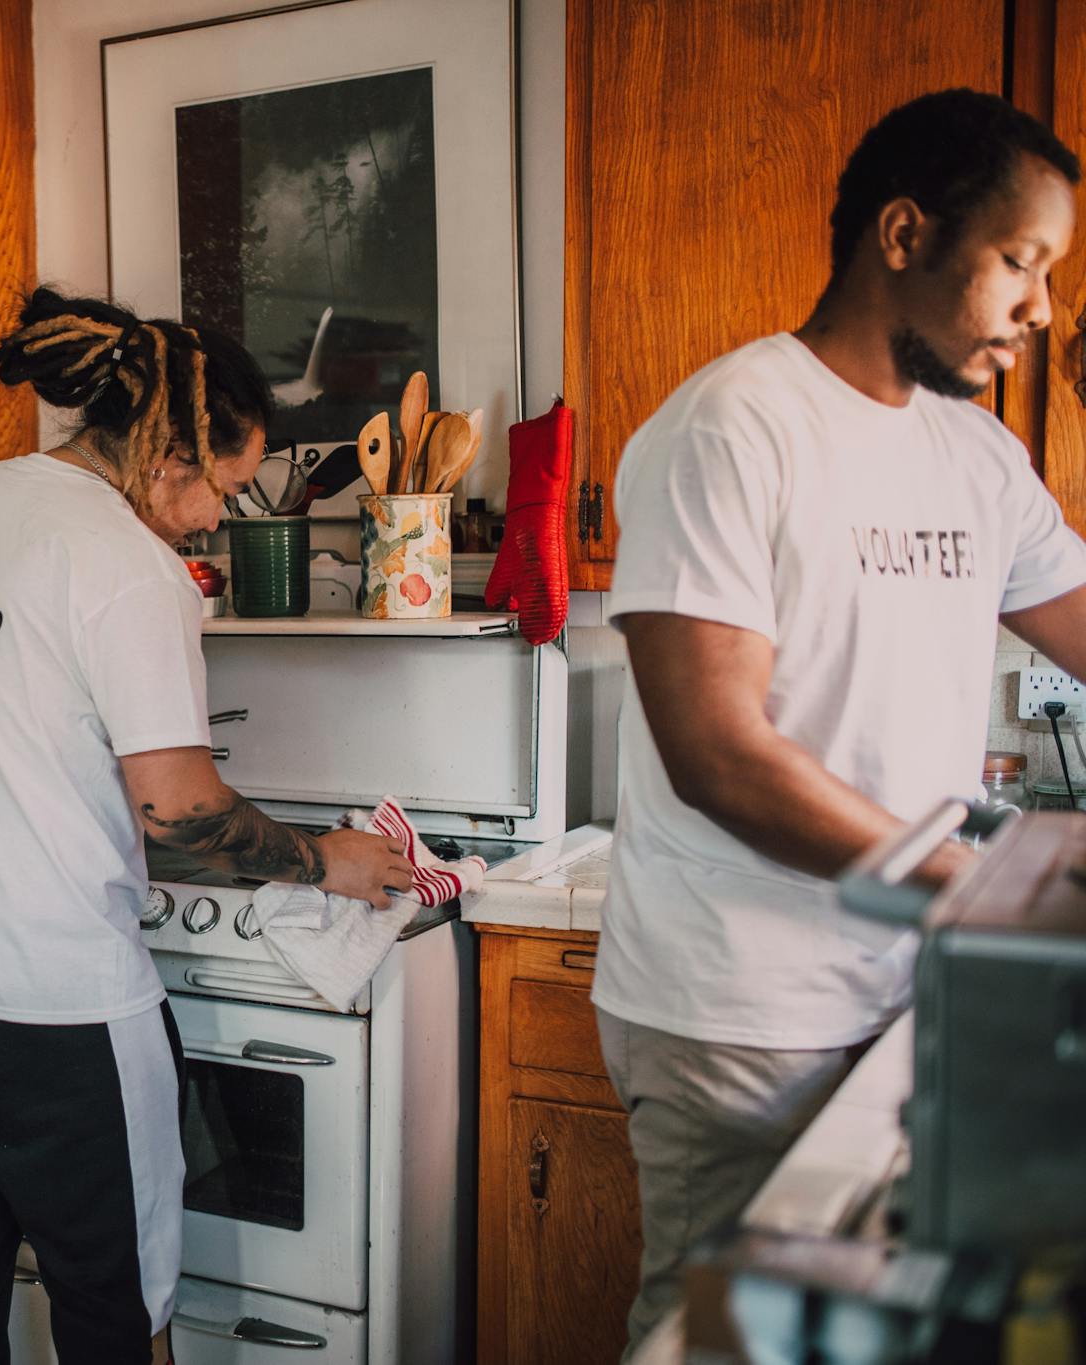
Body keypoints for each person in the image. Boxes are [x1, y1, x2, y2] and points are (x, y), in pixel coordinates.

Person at [593, 88, 1086, 1354]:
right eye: (1020, 264)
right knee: (722, 1341)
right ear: (906, 233)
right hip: (735, 1008)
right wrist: (982, 900)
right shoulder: (731, 426)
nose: (1041, 308)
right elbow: (719, 754)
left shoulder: (974, 458)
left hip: (890, 997)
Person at [0, 287, 416, 1365]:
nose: (218, 517)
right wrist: (323, 860)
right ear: (167, 450)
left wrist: (25, 737)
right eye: (223, 488)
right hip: (54, 1003)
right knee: (115, 1312)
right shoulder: (130, 569)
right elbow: (178, 807)